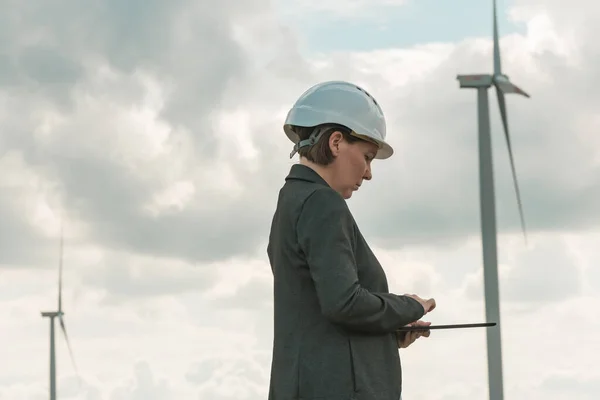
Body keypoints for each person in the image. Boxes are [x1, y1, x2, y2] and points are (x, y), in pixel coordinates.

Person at [266, 80, 436, 400]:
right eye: (367, 156)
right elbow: (344, 303)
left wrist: (387, 330)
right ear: (336, 142)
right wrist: (408, 305)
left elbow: (319, 316)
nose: (369, 173)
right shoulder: (322, 203)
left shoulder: (293, 200)